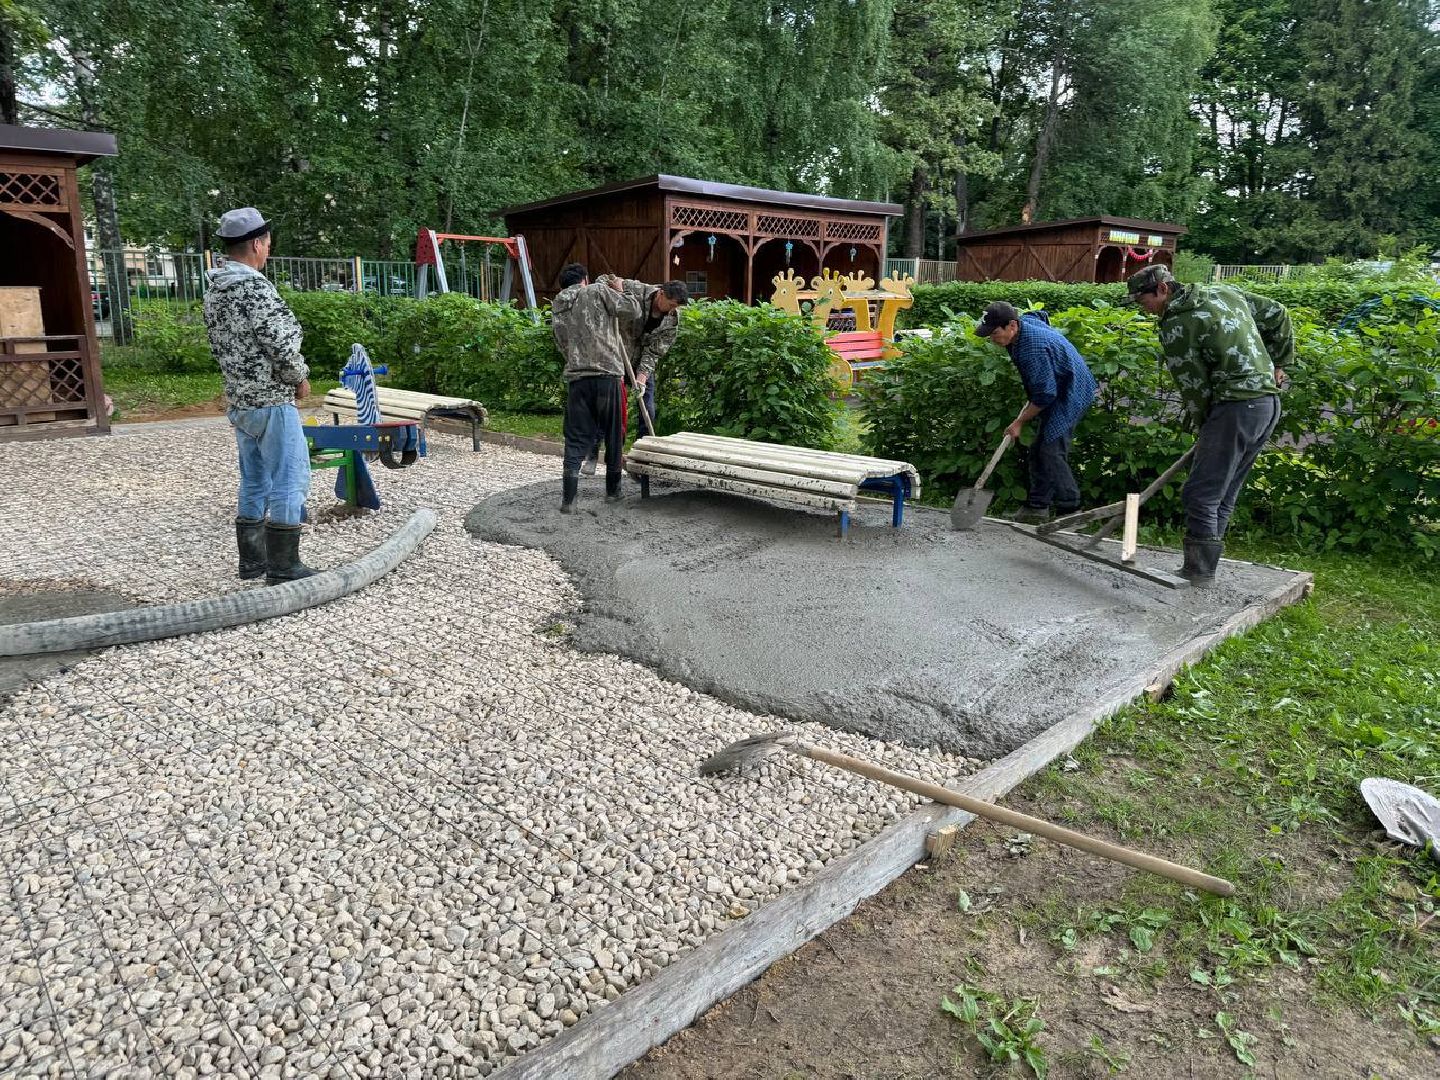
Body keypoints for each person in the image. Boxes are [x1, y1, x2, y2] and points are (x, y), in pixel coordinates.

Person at [1124, 264, 1285, 585]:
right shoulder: (1222, 292)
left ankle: (1198, 570)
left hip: (1236, 406)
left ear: (1163, 290)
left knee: (1200, 493)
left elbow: (1194, 385)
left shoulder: (1176, 324)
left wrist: (1206, 427)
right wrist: (1280, 363)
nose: (1145, 310)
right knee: (1222, 492)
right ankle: (1204, 568)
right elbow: (1277, 312)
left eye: (1144, 302)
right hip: (1267, 403)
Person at [203, 207, 316, 584]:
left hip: (240, 401)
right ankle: (284, 567)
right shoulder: (254, 288)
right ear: (256, 243)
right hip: (270, 400)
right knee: (291, 477)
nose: (268, 250)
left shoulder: (215, 288)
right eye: (267, 243)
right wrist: (299, 376)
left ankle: (252, 562)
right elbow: (280, 344)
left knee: (253, 479)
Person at [974, 301, 1098, 524]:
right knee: (1038, 449)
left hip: (1071, 392)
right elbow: (1040, 315)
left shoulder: (1032, 349)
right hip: (1058, 385)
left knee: (1051, 451)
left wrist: (1019, 422)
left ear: (1012, 325)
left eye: (994, 333)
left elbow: (1045, 395)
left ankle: (1072, 510)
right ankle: (1037, 507)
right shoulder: (1024, 325)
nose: (992, 339)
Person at [551, 262, 643, 512]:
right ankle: (613, 492)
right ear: (584, 279)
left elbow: (561, 341)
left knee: (575, 437)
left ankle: (568, 500)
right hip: (607, 375)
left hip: (577, 378)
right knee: (613, 434)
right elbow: (633, 310)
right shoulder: (596, 291)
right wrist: (622, 289)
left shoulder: (558, 302)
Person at [582, 278, 689, 474]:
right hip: (614, 356)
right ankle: (592, 453)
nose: (673, 310)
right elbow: (601, 280)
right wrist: (619, 292)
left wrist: (641, 379)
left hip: (641, 364)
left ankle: (642, 460)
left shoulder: (672, 319)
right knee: (606, 406)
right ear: (661, 294)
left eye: (677, 307)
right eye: (672, 305)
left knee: (647, 408)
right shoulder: (635, 289)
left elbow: (655, 351)